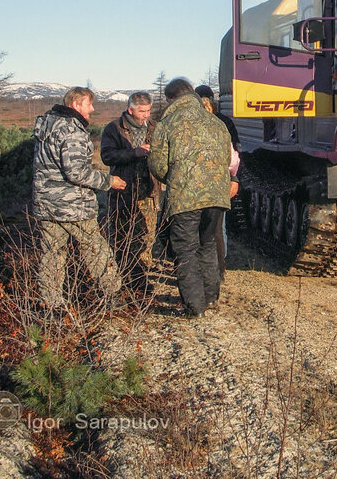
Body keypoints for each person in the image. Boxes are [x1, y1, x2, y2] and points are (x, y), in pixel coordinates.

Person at [32, 87, 126, 315]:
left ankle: (51, 304)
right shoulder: (71, 130)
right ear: (76, 104)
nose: (92, 109)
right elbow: (76, 173)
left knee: (52, 254)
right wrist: (109, 181)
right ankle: (114, 294)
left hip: (46, 204)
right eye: (89, 104)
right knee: (95, 249)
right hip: (72, 206)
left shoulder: (47, 124)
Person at [148, 78, 232, 317]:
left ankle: (195, 307)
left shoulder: (167, 124)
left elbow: (157, 165)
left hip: (185, 196)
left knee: (185, 250)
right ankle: (211, 297)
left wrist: (174, 179)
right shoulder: (216, 123)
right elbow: (226, 159)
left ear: (171, 99)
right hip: (217, 195)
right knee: (207, 245)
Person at [99, 91, 155, 296]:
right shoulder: (114, 129)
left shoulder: (155, 128)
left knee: (146, 237)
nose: (146, 115)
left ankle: (142, 281)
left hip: (148, 192)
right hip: (122, 191)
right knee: (122, 238)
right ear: (130, 110)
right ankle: (124, 280)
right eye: (142, 111)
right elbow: (106, 156)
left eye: (149, 111)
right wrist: (134, 153)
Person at [194, 85, 240, 281]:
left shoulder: (190, 125)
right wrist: (234, 177)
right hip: (218, 184)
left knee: (202, 228)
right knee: (217, 229)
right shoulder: (224, 124)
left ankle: (208, 268)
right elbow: (235, 156)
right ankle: (218, 269)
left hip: (198, 185)